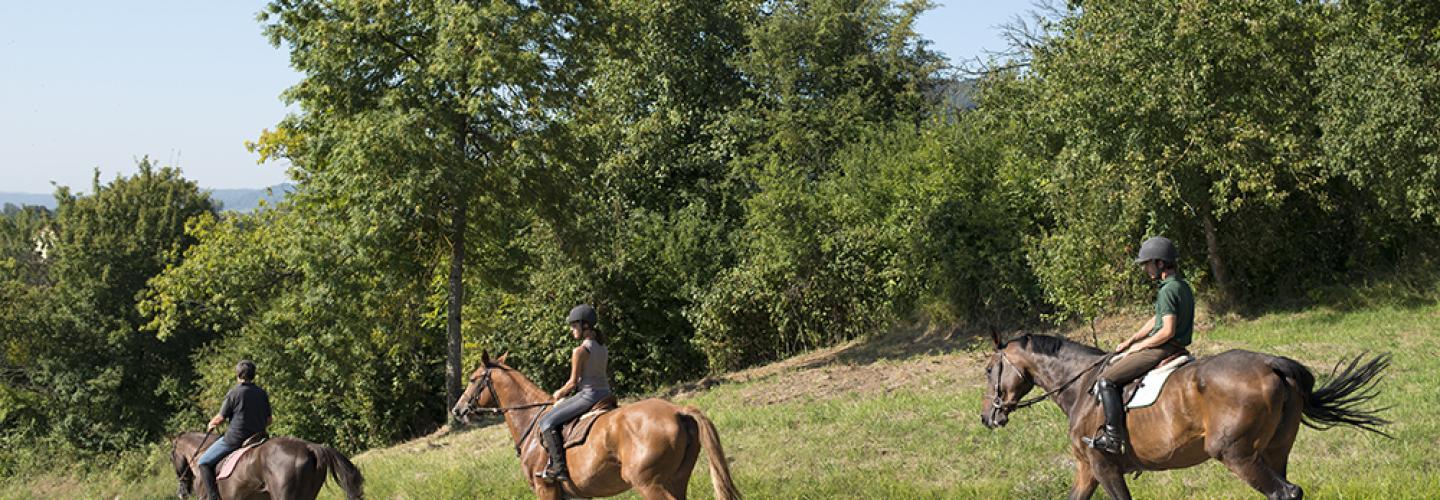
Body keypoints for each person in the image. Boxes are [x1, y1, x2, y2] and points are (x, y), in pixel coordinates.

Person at [1087, 236, 1195, 455]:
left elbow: (1166, 330)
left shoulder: (1167, 290)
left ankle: (1112, 438)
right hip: (1175, 347)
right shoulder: (1181, 286)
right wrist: (1131, 340)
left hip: (1162, 348)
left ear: (1160, 263)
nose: (1146, 269)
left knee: (1106, 380)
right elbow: (1157, 319)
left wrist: (1139, 347)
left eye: (1147, 264)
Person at [535, 304, 611, 483]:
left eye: (574, 325)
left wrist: (558, 394)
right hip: (605, 393)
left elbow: (573, 383)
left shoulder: (580, 351)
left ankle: (558, 468)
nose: (571, 329)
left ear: (585, 326)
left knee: (546, 422)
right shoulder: (602, 347)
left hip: (588, 395)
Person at [196, 360, 273, 500]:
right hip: (259, 438)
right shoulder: (262, 393)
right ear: (253, 375)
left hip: (235, 439)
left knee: (203, 462)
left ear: (238, 374)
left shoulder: (234, 393)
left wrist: (211, 423)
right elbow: (269, 420)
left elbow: (220, 418)